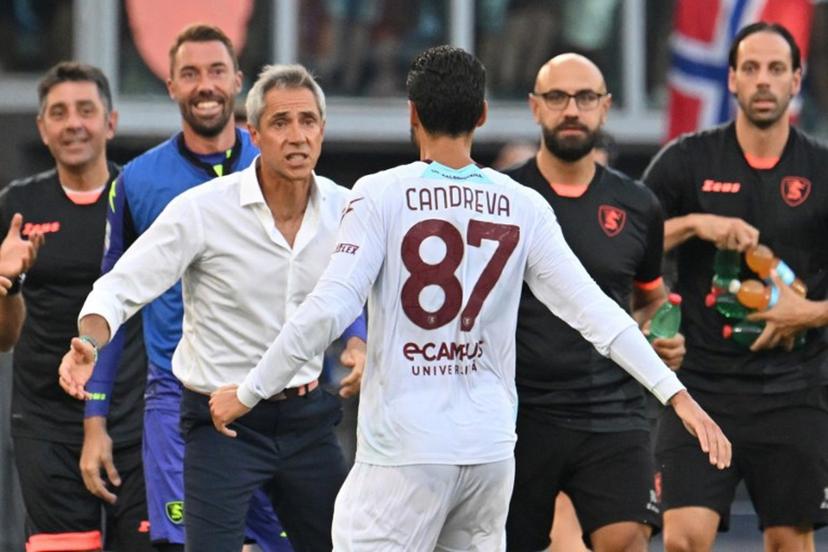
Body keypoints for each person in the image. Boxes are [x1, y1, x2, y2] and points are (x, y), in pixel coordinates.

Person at [208, 45, 731, 551]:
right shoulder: (520, 204)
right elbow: (597, 313)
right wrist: (677, 395)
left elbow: (328, 310)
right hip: (487, 453)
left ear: (412, 114)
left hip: (404, 451)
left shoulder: (380, 193)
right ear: (481, 115)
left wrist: (250, 391)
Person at [59, 63, 367, 552]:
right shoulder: (202, 210)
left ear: (323, 131)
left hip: (307, 419)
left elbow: (364, 291)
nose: (297, 136)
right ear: (255, 134)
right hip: (221, 423)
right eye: (281, 123)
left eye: (308, 121)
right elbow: (121, 286)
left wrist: (361, 343)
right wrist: (89, 342)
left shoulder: (349, 210)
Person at [66, 24, 292, 552]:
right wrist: (95, 418)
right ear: (170, 85)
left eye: (216, 71)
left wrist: (355, 340)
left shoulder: (281, 168)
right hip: (176, 400)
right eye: (189, 74)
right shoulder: (139, 182)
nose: (204, 85)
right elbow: (116, 295)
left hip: (272, 396)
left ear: (238, 80)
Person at [642, 22, 828, 552]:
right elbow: (630, 238)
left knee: (787, 542)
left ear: (797, 79)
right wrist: (697, 224)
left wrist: (808, 314)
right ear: (731, 80)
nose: (762, 81)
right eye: (750, 68)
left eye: (775, 69)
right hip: (701, 386)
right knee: (682, 540)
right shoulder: (686, 160)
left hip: (795, 389)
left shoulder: (822, 168)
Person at [503, 53, 686, 552]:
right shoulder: (502, 197)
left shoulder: (638, 204)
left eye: (585, 98)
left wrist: (661, 332)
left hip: (614, 411)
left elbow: (650, 297)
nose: (572, 110)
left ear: (605, 108)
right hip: (520, 412)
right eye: (557, 97)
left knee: (627, 538)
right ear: (534, 107)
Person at [0, 62, 150, 552]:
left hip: (137, 423)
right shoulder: (17, 209)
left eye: (86, 110)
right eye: (58, 113)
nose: (73, 123)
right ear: (42, 129)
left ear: (111, 121)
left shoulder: (142, 200)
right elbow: (4, 338)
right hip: (45, 425)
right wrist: (10, 282)